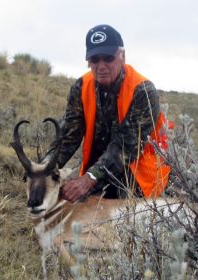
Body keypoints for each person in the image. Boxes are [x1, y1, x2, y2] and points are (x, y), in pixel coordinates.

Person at [48, 24, 171, 203]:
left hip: (138, 174)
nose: (101, 66)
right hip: (99, 170)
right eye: (94, 59)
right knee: (70, 210)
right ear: (88, 61)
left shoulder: (143, 91)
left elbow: (126, 146)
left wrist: (90, 178)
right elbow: (69, 136)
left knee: (127, 223)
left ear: (122, 56)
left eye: (108, 58)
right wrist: (44, 168)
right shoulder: (81, 87)